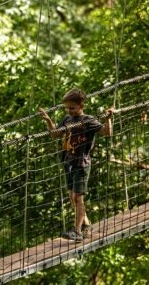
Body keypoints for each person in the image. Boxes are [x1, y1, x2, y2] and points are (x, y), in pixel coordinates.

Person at [39, 88, 113, 242]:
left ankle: (77, 231)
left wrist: (108, 118)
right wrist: (48, 121)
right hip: (68, 162)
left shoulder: (89, 121)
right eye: (66, 108)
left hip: (82, 163)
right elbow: (55, 134)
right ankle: (85, 224)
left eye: (72, 107)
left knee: (77, 197)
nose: (69, 110)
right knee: (72, 198)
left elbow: (107, 132)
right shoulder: (67, 120)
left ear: (81, 106)